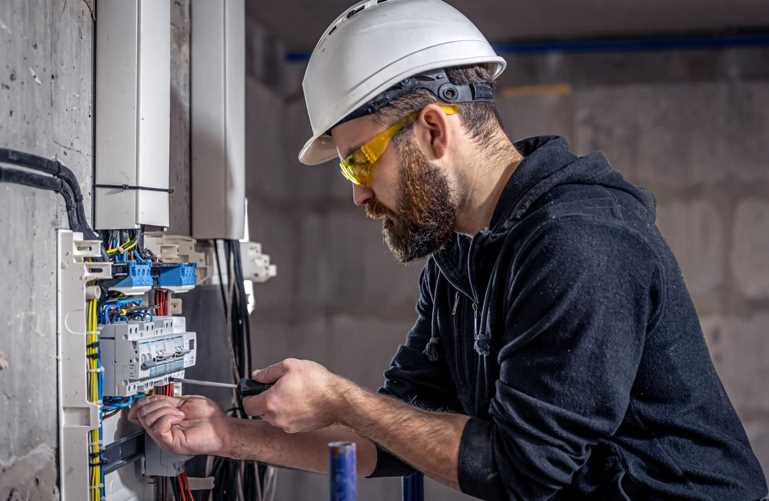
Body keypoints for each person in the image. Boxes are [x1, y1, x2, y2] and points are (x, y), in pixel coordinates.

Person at [129, 0, 768, 499]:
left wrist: (342, 397)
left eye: (359, 164)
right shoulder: (460, 255)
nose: (358, 196)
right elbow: (397, 430)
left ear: (433, 128)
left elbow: (523, 468)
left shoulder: (580, 242)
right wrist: (229, 435)